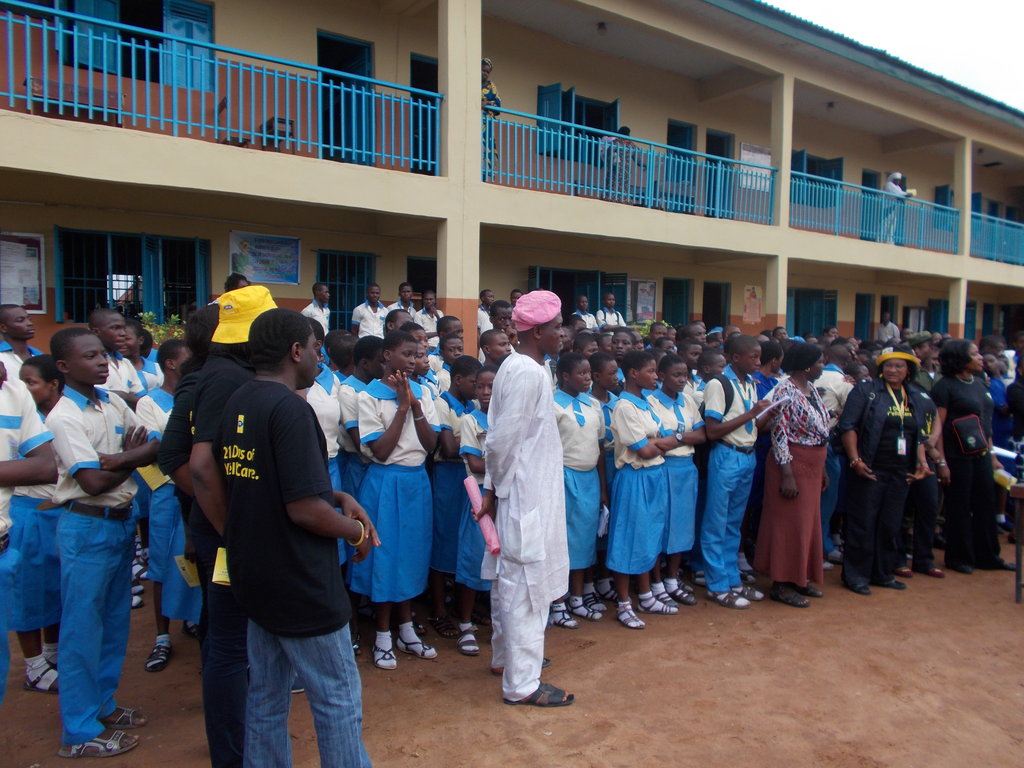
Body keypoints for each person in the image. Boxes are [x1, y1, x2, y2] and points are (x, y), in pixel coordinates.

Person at [216, 308, 377, 768]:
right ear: (295, 351)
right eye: (315, 348)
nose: (319, 356)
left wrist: (338, 494)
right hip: (299, 580)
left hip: (255, 572)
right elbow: (303, 509)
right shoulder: (290, 408)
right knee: (338, 697)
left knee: (266, 697)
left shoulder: (240, 399)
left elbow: (272, 481)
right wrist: (357, 532)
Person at [47, 327, 159, 757]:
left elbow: (152, 445)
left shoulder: (111, 401)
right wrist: (129, 460)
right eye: (90, 356)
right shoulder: (64, 416)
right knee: (82, 627)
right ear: (63, 366)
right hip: (86, 526)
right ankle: (77, 730)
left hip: (120, 523)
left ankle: (102, 704)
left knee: (114, 622)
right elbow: (91, 481)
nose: (101, 361)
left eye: (102, 355)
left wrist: (124, 458)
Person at [187, 285, 277, 768]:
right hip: (226, 531)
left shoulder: (226, 372)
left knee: (236, 639)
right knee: (227, 642)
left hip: (230, 527)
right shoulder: (226, 380)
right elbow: (202, 466)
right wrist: (231, 534)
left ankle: (241, 739)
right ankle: (233, 753)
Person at [477, 290, 573, 707]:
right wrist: (495, 489)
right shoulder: (527, 373)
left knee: (511, 585)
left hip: (523, 492)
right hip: (524, 496)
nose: (562, 334)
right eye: (556, 328)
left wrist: (493, 490)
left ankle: (506, 659)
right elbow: (500, 443)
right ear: (536, 332)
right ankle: (522, 684)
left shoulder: (528, 367)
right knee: (525, 589)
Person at [350, 331, 440, 670]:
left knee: (412, 554)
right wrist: (401, 407)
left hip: (416, 481)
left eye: (417, 354)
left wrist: (415, 405)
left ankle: (406, 629)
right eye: (407, 354)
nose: (414, 360)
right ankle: (383, 634)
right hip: (385, 483)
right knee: (385, 555)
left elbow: (430, 444)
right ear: (387, 355)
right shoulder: (368, 396)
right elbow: (382, 450)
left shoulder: (423, 392)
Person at [839, 346, 931, 595]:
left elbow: (918, 434)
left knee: (891, 524)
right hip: (869, 468)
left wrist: (922, 463)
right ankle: (856, 575)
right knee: (863, 523)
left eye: (899, 366)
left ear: (908, 370)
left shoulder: (913, 395)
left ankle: (882, 573)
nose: (893, 370)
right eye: (888, 365)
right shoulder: (866, 391)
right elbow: (848, 427)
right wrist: (856, 461)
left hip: (901, 472)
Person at [134, 339, 201, 673]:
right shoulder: (149, 403)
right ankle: (162, 636)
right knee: (163, 562)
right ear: (172, 364)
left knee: (196, 559)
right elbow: (152, 450)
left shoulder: (199, 394)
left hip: (198, 490)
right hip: (166, 491)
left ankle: (193, 617)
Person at [755, 343, 830, 607]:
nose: (823, 366)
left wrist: (822, 469)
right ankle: (781, 583)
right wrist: (786, 473)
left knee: (808, 522)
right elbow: (779, 432)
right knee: (789, 523)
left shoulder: (810, 390)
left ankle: (800, 576)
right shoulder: (786, 390)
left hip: (812, 462)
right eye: (820, 362)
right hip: (791, 463)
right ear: (807, 366)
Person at [2, 358, 58, 707]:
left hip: (13, 534)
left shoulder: (11, 392)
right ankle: (36, 664)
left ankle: (47, 656)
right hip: (27, 512)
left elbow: (44, 466)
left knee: (48, 589)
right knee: (27, 594)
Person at [701, 335, 770, 609]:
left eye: (759, 356)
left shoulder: (750, 383)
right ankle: (717, 585)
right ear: (735, 357)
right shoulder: (720, 384)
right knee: (716, 523)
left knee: (733, 523)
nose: (758, 361)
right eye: (753, 357)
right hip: (726, 456)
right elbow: (713, 430)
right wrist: (753, 413)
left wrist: (768, 415)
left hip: (747, 456)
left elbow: (750, 425)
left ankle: (733, 579)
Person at [932, 340, 1012, 573]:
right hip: (957, 456)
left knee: (985, 504)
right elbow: (939, 428)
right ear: (959, 359)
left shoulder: (978, 384)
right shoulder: (944, 387)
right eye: (974, 354)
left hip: (982, 454)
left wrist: (993, 456)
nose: (980, 358)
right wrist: (941, 462)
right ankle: (959, 557)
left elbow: (983, 425)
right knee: (959, 506)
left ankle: (988, 556)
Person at [550, 353, 607, 627]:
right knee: (561, 541)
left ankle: (576, 596)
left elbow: (598, 450)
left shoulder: (594, 405)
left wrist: (602, 489)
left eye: (588, 373)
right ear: (565, 376)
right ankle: (557, 601)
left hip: (589, 480)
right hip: (562, 477)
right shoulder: (551, 405)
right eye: (581, 373)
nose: (587, 378)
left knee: (584, 539)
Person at [427, 355, 480, 640]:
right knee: (444, 541)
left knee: (465, 544)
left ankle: (464, 611)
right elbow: (447, 448)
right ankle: (438, 611)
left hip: (468, 477)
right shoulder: (442, 403)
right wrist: (475, 442)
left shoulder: (472, 407)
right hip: (449, 477)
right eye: (474, 382)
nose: (478, 388)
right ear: (458, 379)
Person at [647, 353, 704, 607]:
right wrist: (683, 436)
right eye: (676, 375)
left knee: (681, 525)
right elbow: (654, 440)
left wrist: (678, 438)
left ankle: (672, 578)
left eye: (686, 375)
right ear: (661, 376)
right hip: (662, 468)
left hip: (685, 468)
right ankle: (656, 582)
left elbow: (702, 435)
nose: (683, 380)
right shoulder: (650, 401)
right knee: (660, 525)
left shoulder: (688, 401)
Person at [455, 364, 497, 657]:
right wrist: (504, 463)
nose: (484, 392)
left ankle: (500, 621)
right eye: (480, 386)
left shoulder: (507, 420)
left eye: (491, 387)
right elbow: (477, 464)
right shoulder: (470, 420)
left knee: (500, 559)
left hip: (503, 496)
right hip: (479, 497)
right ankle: (465, 625)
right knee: (473, 559)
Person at [338, 336, 385, 499]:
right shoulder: (348, 391)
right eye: (381, 362)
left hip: (378, 463)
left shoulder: (380, 387)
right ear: (365, 363)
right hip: (359, 464)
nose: (386, 366)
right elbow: (358, 442)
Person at [88, 309, 144, 408]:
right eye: (115, 328)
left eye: (124, 328)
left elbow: (140, 396)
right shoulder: (91, 363)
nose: (123, 333)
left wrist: (124, 395)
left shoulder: (126, 363)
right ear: (96, 332)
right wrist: (126, 396)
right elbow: (99, 394)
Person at [0, 304, 44, 379]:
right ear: (3, 328)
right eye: (20, 320)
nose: (30, 323)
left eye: (29, 319)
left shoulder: (40, 356)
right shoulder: (1, 357)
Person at [481, 58, 501, 178]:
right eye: (483, 70)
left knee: (486, 148)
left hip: (486, 122)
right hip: (473, 120)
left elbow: (499, 106)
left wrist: (486, 104)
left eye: (488, 72)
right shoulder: (471, 83)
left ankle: (485, 173)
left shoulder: (491, 86)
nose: (485, 73)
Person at [882, 171, 913, 244]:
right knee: (885, 222)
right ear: (893, 179)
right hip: (887, 206)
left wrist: (907, 194)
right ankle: (880, 238)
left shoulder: (898, 187)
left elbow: (901, 193)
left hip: (893, 207)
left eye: (899, 180)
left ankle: (889, 239)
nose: (898, 181)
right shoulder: (889, 185)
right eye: (897, 180)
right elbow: (898, 194)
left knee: (893, 223)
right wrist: (906, 194)